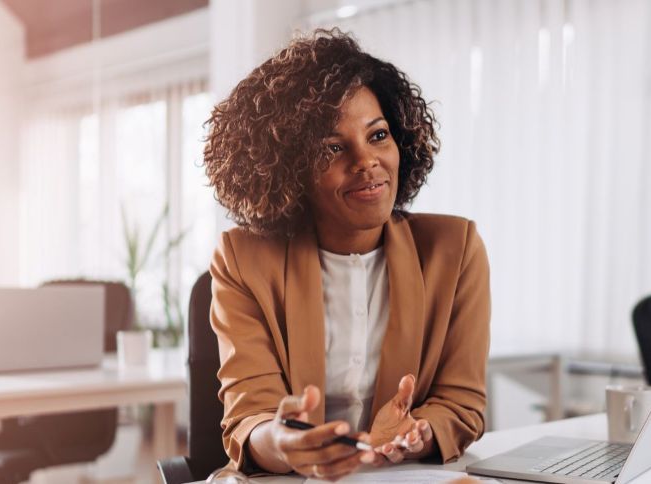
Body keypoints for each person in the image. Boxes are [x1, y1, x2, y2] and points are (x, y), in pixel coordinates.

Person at [203, 29, 490, 480]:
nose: (366, 161)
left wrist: (418, 433)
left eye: (378, 135)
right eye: (333, 148)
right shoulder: (243, 259)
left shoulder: (454, 250)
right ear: (289, 169)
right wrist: (286, 444)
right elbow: (249, 417)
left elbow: (462, 402)